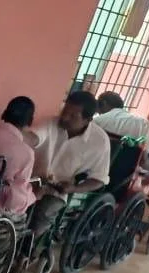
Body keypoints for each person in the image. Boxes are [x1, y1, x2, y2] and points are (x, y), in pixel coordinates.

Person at [29, 91, 112, 247]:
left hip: (58, 190)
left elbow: (99, 179)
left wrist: (74, 188)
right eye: (64, 111)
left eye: (73, 116)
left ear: (88, 120)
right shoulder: (51, 123)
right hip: (32, 180)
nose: (65, 118)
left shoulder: (99, 141)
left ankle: (27, 252)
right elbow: (34, 138)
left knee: (44, 214)